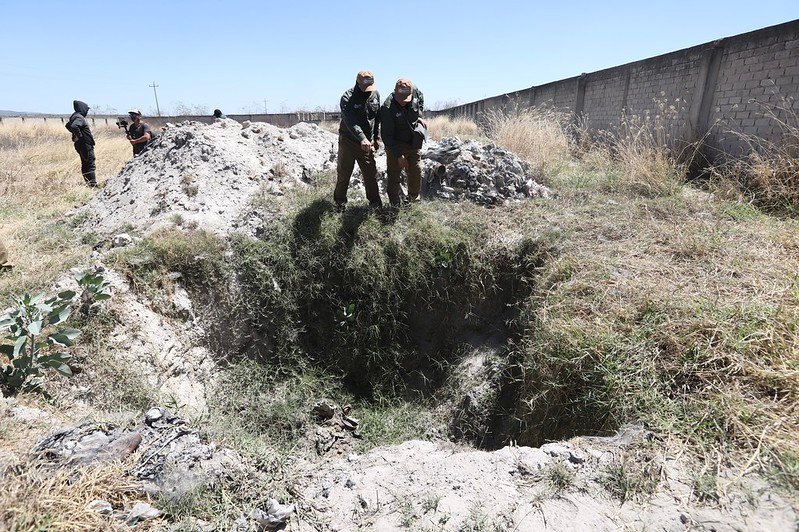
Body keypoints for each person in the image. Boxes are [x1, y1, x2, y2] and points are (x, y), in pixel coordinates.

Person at [334, 70, 382, 211]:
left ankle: (375, 205)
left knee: (370, 174)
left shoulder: (375, 95)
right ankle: (339, 203)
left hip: (367, 143)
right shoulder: (347, 97)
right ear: (358, 83)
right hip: (348, 141)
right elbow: (350, 121)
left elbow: (376, 117)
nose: (368, 91)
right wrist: (362, 138)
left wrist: (375, 138)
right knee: (344, 173)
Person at [380, 79, 426, 206]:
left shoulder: (415, 92)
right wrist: (398, 155)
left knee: (415, 171)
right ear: (395, 92)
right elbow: (387, 136)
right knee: (394, 174)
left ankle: (413, 199)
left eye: (406, 99)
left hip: (412, 141)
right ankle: (394, 204)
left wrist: (419, 116)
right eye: (400, 99)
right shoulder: (387, 107)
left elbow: (420, 99)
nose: (403, 102)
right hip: (396, 142)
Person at [65, 100, 96, 187]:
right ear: (82, 109)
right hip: (85, 144)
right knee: (90, 164)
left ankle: (89, 184)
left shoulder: (74, 116)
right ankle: (92, 185)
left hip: (81, 144)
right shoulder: (79, 117)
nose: (87, 111)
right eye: (86, 109)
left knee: (85, 163)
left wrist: (75, 135)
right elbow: (74, 126)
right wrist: (79, 136)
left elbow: (68, 125)